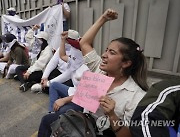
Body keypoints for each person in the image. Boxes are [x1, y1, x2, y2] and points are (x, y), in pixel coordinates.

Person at [79, 8, 149, 136]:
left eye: (112, 52)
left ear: (126, 63)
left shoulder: (136, 96)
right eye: (106, 50)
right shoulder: (99, 70)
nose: (104, 55)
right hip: (83, 126)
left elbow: (128, 135)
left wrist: (112, 115)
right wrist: (103, 19)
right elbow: (84, 43)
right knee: (49, 120)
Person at [37, 30, 89, 137]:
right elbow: (61, 55)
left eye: (74, 47)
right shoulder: (74, 61)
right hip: (73, 92)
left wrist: (63, 100)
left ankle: (54, 120)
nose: (71, 50)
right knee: (54, 86)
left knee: (61, 112)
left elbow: (85, 95)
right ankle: (52, 113)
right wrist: (62, 40)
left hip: (81, 101)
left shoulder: (86, 69)